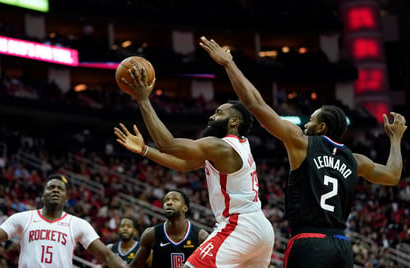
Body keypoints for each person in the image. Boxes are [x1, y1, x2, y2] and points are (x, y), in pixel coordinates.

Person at [199, 36, 408, 268]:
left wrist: (229, 64)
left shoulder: (302, 143)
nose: (305, 125)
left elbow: (254, 104)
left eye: (310, 120)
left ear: (321, 127)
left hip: (309, 242)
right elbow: (392, 175)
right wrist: (396, 139)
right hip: (341, 244)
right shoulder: (356, 160)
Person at [114, 74, 275, 266]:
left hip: (241, 225)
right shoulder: (239, 146)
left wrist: (142, 99)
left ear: (233, 122)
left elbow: (168, 144)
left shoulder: (220, 146)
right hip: (261, 228)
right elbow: (183, 164)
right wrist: (145, 150)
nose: (211, 116)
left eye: (219, 113)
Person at [0, 174, 127, 268]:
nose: (55, 190)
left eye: (61, 189)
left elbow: (106, 255)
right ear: (43, 195)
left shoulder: (78, 224)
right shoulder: (22, 218)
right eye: (51, 187)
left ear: (66, 198)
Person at [127, 190, 209, 268]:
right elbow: (135, 266)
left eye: (175, 200)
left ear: (185, 208)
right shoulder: (151, 234)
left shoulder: (201, 237)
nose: (169, 203)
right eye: (166, 200)